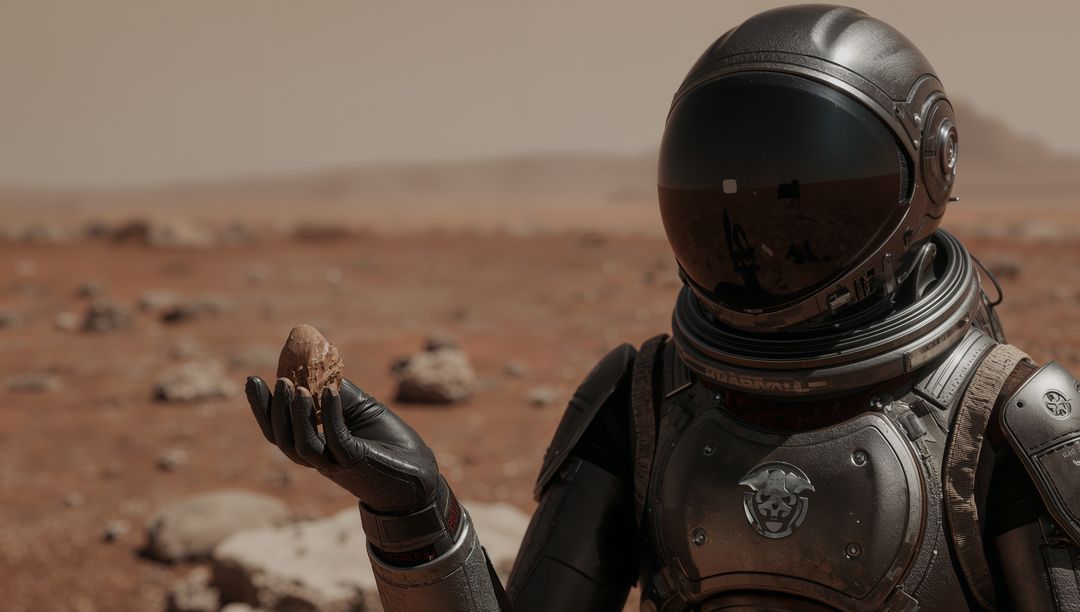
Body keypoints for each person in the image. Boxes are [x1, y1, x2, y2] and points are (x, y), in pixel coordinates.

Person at [244, 5, 1080, 610]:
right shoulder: (644, 401)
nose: (758, 233)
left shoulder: (1006, 424)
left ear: (920, 180)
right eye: (729, 197)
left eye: (797, 196)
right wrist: (412, 511)